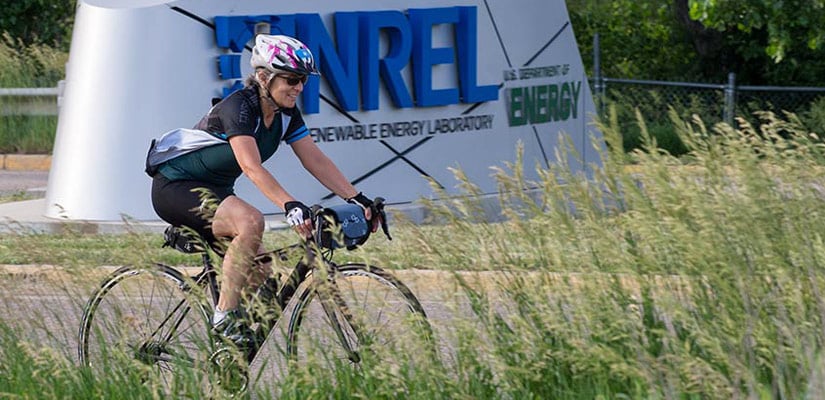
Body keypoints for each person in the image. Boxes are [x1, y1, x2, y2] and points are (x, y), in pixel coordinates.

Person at [149, 34, 381, 351]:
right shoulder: (238, 108)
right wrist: (289, 204)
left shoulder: (287, 115)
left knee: (260, 272)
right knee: (251, 222)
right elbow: (251, 166)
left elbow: (315, 159)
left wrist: (357, 198)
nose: (299, 88)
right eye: (292, 79)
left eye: (303, 81)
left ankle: (230, 357)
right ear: (263, 77)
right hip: (176, 187)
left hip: (216, 192)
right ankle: (223, 318)